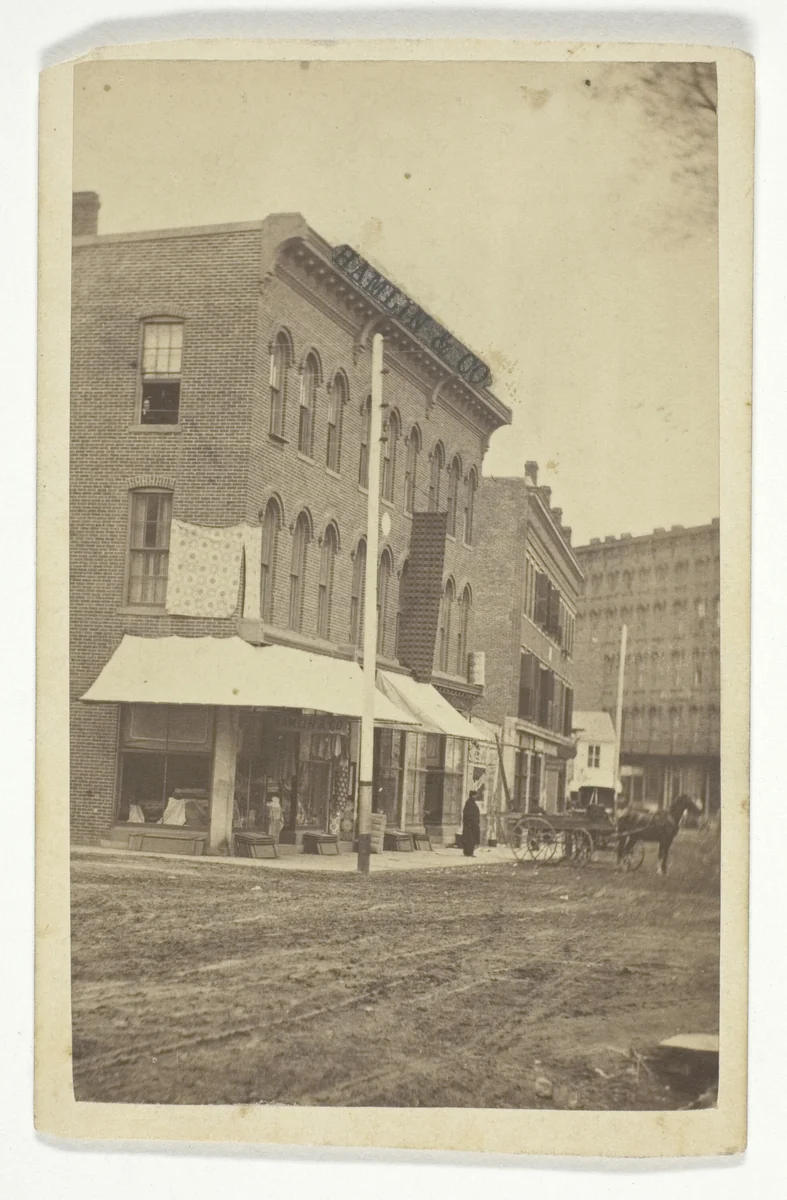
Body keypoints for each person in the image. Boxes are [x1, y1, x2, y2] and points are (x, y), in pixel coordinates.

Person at [461, 787, 482, 857]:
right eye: (474, 795)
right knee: (469, 839)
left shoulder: (472, 803)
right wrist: (470, 822)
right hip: (469, 825)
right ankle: (468, 852)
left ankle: (469, 852)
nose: (475, 797)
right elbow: (467, 814)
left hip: (473, 825)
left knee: (471, 839)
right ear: (472, 796)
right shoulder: (469, 803)